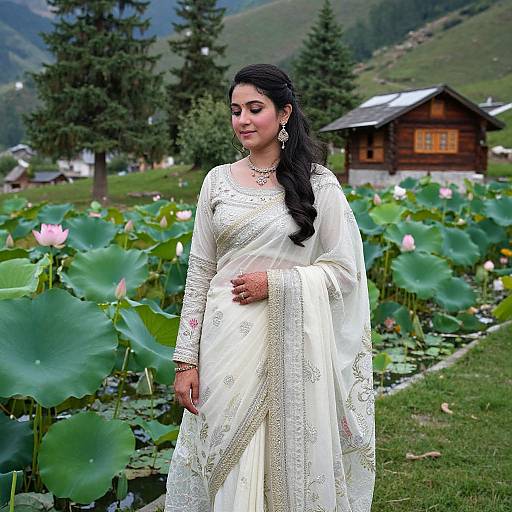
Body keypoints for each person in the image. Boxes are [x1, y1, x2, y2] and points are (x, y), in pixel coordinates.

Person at [165, 63, 375, 512]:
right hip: (223, 348)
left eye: (254, 108)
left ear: (284, 113)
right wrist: (185, 360)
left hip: (293, 347)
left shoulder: (318, 184)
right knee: (226, 455)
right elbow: (200, 272)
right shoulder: (217, 181)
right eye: (235, 110)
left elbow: (344, 272)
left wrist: (276, 284)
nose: (242, 119)